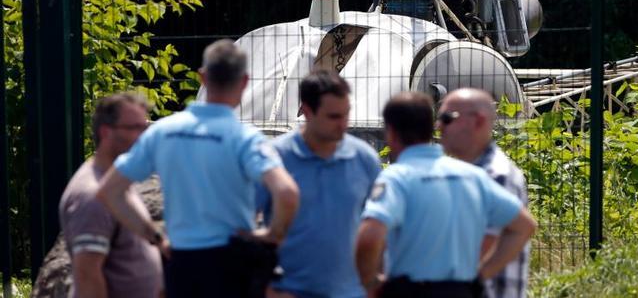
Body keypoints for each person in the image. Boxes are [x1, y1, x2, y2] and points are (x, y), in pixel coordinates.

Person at [96, 39, 301, 298]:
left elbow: (110, 191)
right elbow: (287, 193)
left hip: (181, 263)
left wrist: (156, 237)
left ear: (202, 77)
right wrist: (272, 235)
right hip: (233, 264)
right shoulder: (245, 139)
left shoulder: (163, 132)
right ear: (245, 81)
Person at [355, 92, 537, 298]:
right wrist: (477, 277)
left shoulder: (396, 178)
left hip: (411, 290)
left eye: (447, 119)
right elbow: (525, 226)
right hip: (461, 290)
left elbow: (370, 236)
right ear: (428, 128)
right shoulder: (474, 176)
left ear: (391, 133)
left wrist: (371, 284)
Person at [257, 69, 382, 298]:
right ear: (306, 111)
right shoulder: (274, 159)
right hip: (289, 291)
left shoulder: (365, 160)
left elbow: (380, 230)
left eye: (346, 115)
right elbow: (241, 225)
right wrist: (263, 287)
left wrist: (374, 283)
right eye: (334, 117)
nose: (343, 124)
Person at [59, 92, 162, 298]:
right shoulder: (91, 197)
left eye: (145, 127)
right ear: (106, 132)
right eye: (135, 128)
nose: (144, 137)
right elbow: (88, 276)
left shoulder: (114, 179)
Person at [438, 88, 530, 298]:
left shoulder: (495, 175)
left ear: (478, 121)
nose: (439, 126)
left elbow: (479, 247)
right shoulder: (470, 172)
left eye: (447, 118)